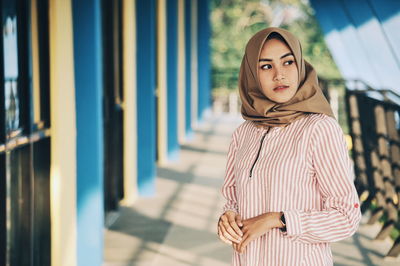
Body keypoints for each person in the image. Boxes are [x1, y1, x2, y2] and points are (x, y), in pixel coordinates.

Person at [217, 27, 361, 266]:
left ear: (300, 67)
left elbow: (346, 217)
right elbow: (232, 200)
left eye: (288, 63)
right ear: (252, 74)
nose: (279, 75)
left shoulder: (319, 129)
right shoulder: (244, 134)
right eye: (266, 66)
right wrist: (228, 219)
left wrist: (278, 219)